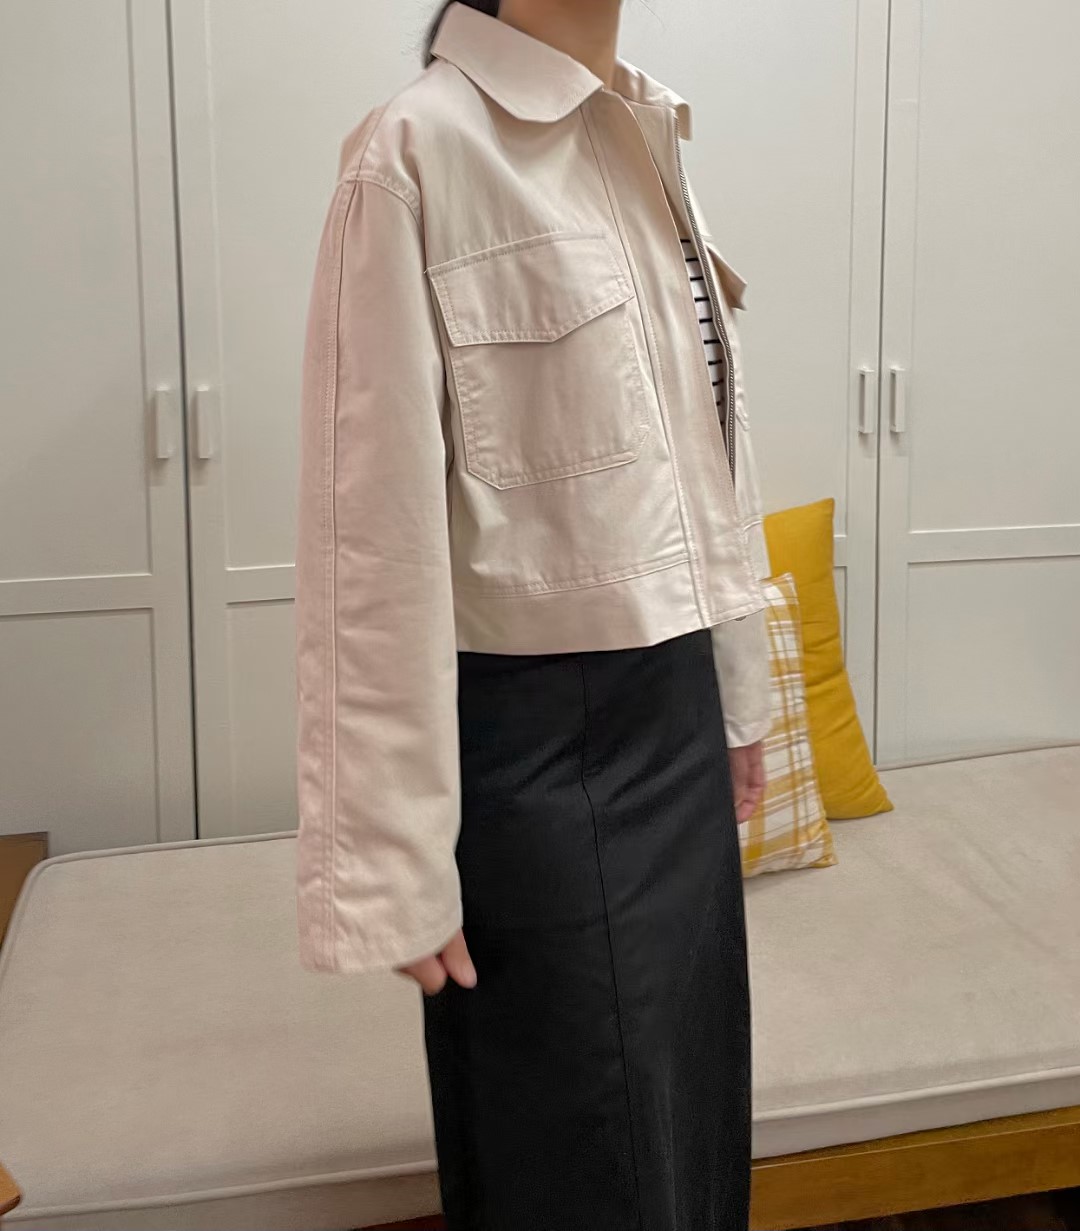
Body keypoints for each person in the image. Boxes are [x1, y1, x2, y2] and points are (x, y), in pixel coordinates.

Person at [294, 1, 772, 1226]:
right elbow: (370, 537)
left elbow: (708, 465)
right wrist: (391, 861)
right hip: (542, 754)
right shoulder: (417, 152)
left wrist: (736, 694)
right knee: (579, 1165)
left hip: (674, 726)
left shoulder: (643, 133)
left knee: (693, 1139)